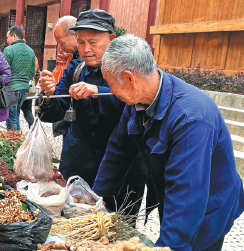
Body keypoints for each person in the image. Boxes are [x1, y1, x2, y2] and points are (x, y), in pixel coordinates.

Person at [93, 34, 244, 251]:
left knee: (192, 243)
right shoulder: (139, 98)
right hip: (177, 194)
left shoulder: (191, 118)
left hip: (208, 205)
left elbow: (187, 193)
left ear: (129, 78)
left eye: (110, 84)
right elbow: (119, 148)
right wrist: (98, 198)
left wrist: (167, 247)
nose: (113, 93)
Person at [38, 10, 145, 214]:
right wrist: (50, 93)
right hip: (79, 167)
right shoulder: (75, 70)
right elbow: (54, 113)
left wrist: (100, 92)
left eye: (93, 42)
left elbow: (139, 106)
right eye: (81, 42)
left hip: (121, 172)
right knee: (75, 221)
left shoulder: (131, 72)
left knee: (115, 229)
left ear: (111, 39)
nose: (86, 49)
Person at [3, 26, 35, 131]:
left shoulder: (8, 50)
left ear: (14, 36)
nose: (7, 40)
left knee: (11, 117)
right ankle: (18, 141)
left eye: (8, 37)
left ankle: (14, 143)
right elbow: (32, 72)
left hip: (12, 88)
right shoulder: (31, 51)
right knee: (16, 114)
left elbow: (4, 70)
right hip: (25, 89)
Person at [20, 56, 40, 128]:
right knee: (27, 110)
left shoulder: (13, 53)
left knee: (14, 112)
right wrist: (34, 84)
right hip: (29, 87)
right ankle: (32, 129)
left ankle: (15, 133)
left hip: (16, 87)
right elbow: (37, 73)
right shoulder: (33, 56)